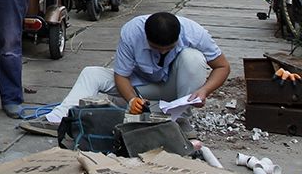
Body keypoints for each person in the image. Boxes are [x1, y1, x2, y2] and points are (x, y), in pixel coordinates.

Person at [19, 12, 230, 136]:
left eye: (168, 49)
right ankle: (58, 119)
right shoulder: (132, 32)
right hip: (140, 86)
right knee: (91, 73)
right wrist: (131, 100)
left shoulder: (193, 32)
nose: (162, 53)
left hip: (174, 88)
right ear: (146, 37)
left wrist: (204, 91)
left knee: (193, 58)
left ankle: (181, 120)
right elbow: (121, 75)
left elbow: (222, 67)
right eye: (156, 48)